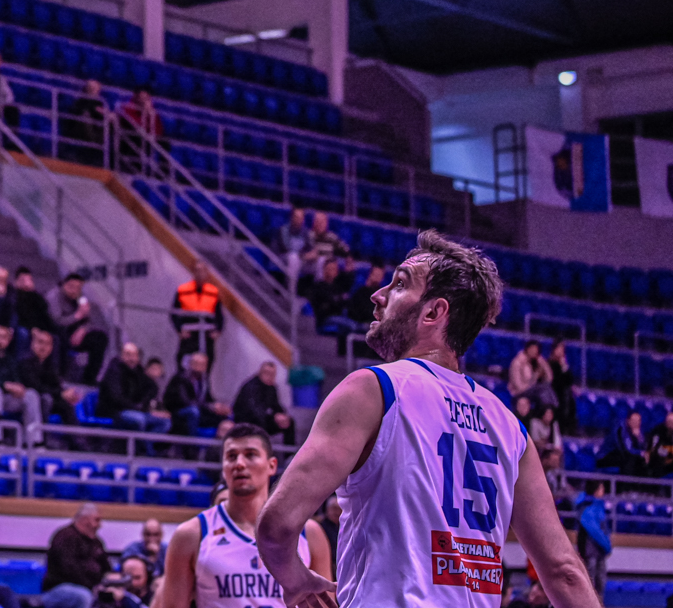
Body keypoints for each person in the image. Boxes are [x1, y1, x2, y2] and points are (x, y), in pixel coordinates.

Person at [254, 230, 598, 608]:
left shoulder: (374, 389)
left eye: (400, 284)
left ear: (434, 312)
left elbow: (277, 525)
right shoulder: (510, 427)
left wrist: (297, 579)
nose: (378, 295)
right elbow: (564, 572)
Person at [160, 424, 331, 608]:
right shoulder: (192, 534)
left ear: (272, 465)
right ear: (223, 468)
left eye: (250, 455)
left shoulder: (307, 532)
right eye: (231, 456)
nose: (239, 464)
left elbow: (326, 603)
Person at [47, 272, 111, 383]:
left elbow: (88, 319)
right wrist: (77, 316)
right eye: (71, 287)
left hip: (76, 331)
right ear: (64, 284)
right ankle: (59, 377)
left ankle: (89, 378)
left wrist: (82, 329)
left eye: (78, 288)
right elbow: (56, 321)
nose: (74, 291)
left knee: (100, 338)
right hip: (57, 330)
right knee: (60, 337)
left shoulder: (80, 297)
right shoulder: (54, 297)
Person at [18, 327, 83, 436]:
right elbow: (35, 386)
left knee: (65, 405)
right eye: (40, 342)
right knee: (46, 399)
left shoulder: (49, 365)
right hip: (28, 399)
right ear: (32, 344)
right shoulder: (24, 362)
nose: (43, 347)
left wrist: (67, 394)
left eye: (47, 344)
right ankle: (40, 439)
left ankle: (77, 440)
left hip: (47, 397)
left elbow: (55, 384)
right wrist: (60, 394)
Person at [41, 504, 109, 608]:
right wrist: (93, 586)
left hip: (91, 587)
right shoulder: (64, 537)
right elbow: (69, 570)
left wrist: (111, 582)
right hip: (59, 588)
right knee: (83, 596)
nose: (100, 525)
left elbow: (106, 567)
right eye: (97, 520)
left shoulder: (97, 542)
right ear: (84, 519)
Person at [97, 342, 170, 434]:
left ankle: (145, 442)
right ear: (121, 355)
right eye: (128, 355)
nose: (132, 359)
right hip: (115, 411)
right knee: (139, 419)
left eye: (135, 355)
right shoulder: (114, 372)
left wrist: (146, 408)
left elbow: (151, 388)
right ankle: (138, 443)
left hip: (135, 410)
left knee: (164, 422)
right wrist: (137, 408)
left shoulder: (138, 372)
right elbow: (116, 398)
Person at [163, 351, 230, 438]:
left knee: (225, 412)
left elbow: (207, 398)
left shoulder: (204, 380)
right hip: (179, 410)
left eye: (202, 364)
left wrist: (218, 406)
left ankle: (217, 441)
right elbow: (185, 401)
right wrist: (209, 406)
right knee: (193, 411)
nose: (199, 367)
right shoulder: (181, 378)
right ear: (191, 364)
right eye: (196, 364)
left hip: (199, 408)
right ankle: (192, 441)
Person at [231, 362, 293, 446]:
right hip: (247, 421)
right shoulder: (251, 387)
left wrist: (282, 415)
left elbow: (276, 405)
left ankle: (289, 453)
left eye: (272, 374)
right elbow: (255, 410)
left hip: (264, 419)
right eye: (267, 373)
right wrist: (274, 416)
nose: (269, 376)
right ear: (260, 372)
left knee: (289, 422)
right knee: (260, 419)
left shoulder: (272, 388)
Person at [171, 262, 222, 363]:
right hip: (189, 333)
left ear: (207, 273)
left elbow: (219, 314)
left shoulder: (213, 292)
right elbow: (174, 312)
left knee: (207, 361)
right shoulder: (183, 290)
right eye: (197, 270)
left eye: (203, 270)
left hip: (206, 333)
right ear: (193, 272)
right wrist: (179, 329)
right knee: (183, 360)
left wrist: (218, 330)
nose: (200, 273)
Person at [573, 480, 611, 599]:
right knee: (590, 579)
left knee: (601, 580)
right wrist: (606, 544)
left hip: (599, 551)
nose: (603, 491)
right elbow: (594, 530)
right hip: (589, 550)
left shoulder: (600, 506)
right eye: (601, 488)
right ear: (595, 490)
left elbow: (604, 528)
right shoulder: (586, 507)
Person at [509, 340, 558, 411]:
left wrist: (542, 362)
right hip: (520, 393)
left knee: (546, 388)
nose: (534, 352)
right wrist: (535, 378)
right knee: (543, 389)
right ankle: (553, 408)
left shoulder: (536, 362)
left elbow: (549, 379)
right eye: (532, 349)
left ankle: (551, 410)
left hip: (533, 391)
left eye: (536, 350)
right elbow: (519, 386)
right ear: (527, 349)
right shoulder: (518, 363)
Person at [600, 410, 649, 475]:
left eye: (638, 421)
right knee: (631, 460)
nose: (636, 423)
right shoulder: (620, 429)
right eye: (634, 420)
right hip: (607, 456)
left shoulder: (638, 430)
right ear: (628, 421)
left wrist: (639, 438)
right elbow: (626, 449)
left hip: (621, 457)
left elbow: (644, 447)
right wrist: (641, 453)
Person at [547, 339, 577, 436]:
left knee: (569, 398)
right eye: (559, 348)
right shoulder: (549, 363)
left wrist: (564, 366)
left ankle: (568, 428)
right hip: (553, 391)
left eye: (562, 349)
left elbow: (569, 380)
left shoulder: (563, 365)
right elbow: (553, 379)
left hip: (563, 392)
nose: (560, 351)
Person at [648, 410, 673, 478]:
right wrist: (670, 451)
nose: (671, 425)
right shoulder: (658, 431)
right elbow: (654, 449)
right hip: (660, 464)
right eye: (669, 422)